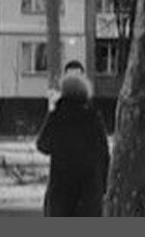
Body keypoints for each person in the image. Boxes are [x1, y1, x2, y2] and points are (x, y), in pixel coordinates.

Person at [36, 70, 110, 216]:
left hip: (61, 190)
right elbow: (104, 154)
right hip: (89, 191)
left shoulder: (57, 117)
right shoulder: (93, 118)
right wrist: (104, 186)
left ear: (63, 92)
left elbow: (42, 145)